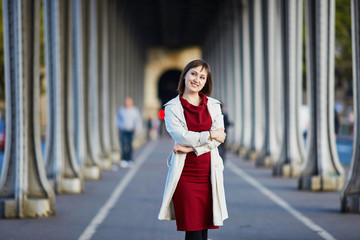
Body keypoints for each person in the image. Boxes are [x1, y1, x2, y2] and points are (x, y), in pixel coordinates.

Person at [158, 60, 228, 240]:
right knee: (193, 231)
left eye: (202, 77)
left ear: (206, 82)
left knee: (203, 230)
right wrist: (210, 135)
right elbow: (182, 136)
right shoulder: (172, 108)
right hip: (185, 176)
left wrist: (190, 150)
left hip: (209, 175)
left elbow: (219, 140)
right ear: (185, 76)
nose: (197, 79)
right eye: (194, 74)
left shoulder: (213, 105)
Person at [117, 97, 142, 168]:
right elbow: (118, 119)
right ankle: (123, 159)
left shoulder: (134, 110)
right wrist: (119, 127)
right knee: (124, 144)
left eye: (128, 102)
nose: (127, 103)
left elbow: (138, 120)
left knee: (130, 145)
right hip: (124, 130)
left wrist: (138, 127)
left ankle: (129, 159)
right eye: (126, 101)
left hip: (131, 130)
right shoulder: (121, 110)